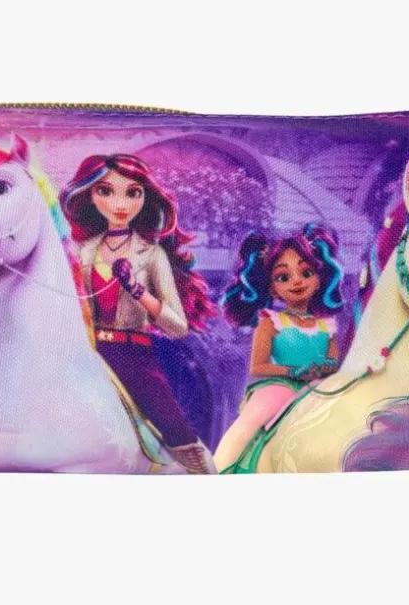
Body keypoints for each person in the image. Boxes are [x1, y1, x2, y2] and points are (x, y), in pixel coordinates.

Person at [61, 154, 216, 474]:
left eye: (132, 193)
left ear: (146, 198)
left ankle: (201, 474)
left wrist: (138, 291)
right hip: (88, 355)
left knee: (177, 431)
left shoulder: (152, 254)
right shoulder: (81, 251)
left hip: (134, 358)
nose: (120, 204)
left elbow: (178, 327)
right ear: (90, 196)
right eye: (105, 191)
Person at [214, 224, 344, 473]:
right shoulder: (271, 322)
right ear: (272, 287)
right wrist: (293, 371)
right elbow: (258, 366)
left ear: (320, 278)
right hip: (280, 386)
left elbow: (333, 363)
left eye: (306, 273)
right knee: (255, 416)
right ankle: (224, 465)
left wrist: (323, 369)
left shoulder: (327, 325)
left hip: (317, 386)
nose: (297, 281)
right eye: (283, 277)